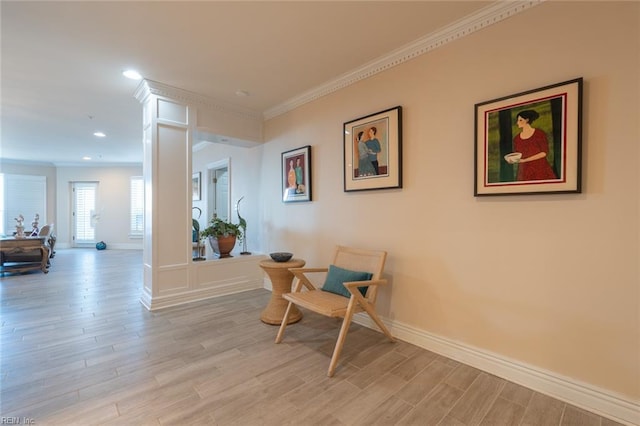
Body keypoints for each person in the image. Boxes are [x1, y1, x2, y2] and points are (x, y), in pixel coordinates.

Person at [505, 109, 557, 181]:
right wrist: (512, 160)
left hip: (540, 168)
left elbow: (544, 153)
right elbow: (517, 154)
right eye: (517, 120)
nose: (517, 123)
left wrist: (525, 160)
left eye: (520, 120)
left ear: (527, 120)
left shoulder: (539, 133)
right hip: (524, 171)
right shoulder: (517, 139)